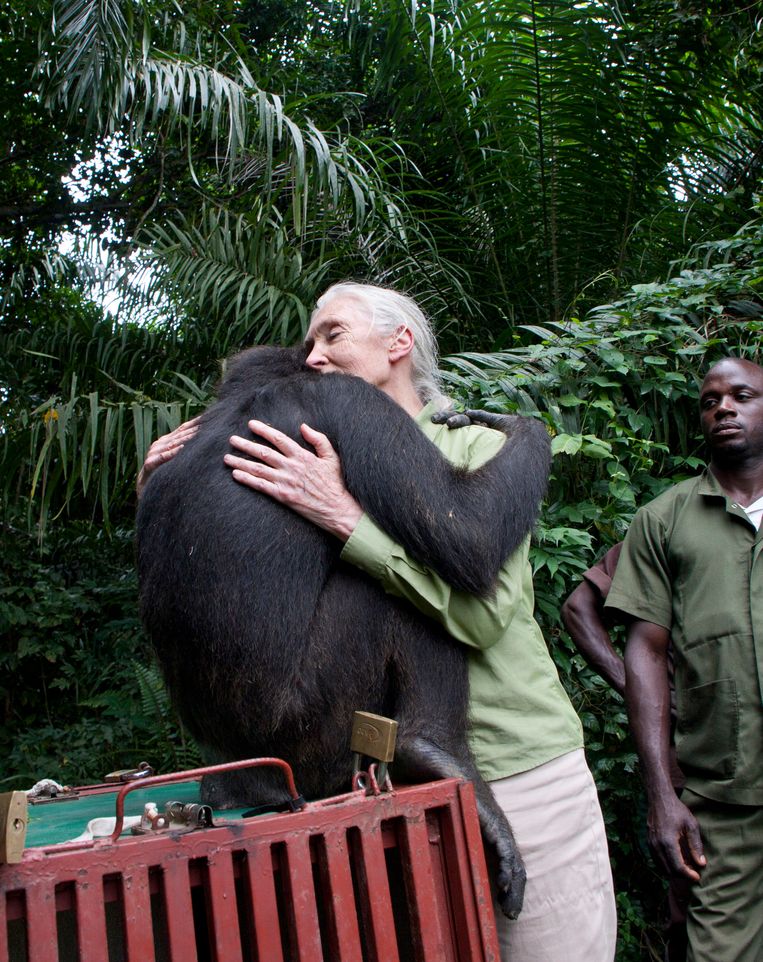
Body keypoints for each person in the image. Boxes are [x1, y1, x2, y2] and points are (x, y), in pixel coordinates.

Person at [139, 282, 617, 961]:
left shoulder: (470, 447)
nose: (314, 355)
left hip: (515, 761)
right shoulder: (307, 448)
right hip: (377, 779)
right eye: (306, 344)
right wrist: (173, 478)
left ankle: (428, 738)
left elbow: (480, 618)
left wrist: (349, 519)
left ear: (400, 344)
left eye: (332, 335)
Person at [605, 357, 763, 962]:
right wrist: (661, 793)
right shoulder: (663, 520)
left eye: (741, 395)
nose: (723, 407)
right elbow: (644, 651)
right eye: (710, 400)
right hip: (722, 804)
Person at [562, 543, 688, 962]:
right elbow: (579, 608)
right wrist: (638, 689)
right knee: (698, 915)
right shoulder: (670, 525)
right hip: (695, 767)